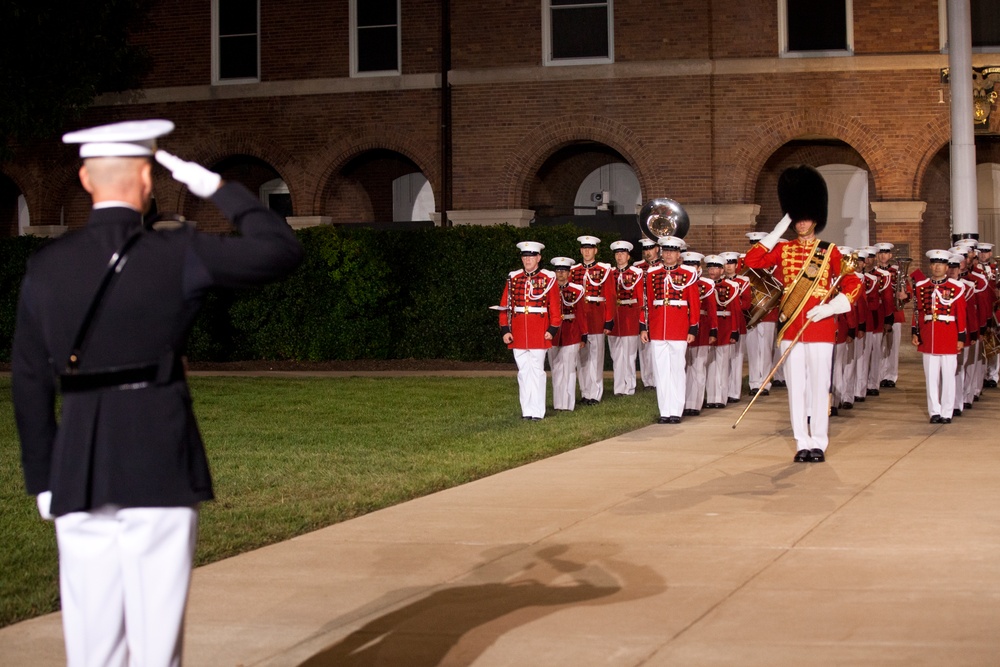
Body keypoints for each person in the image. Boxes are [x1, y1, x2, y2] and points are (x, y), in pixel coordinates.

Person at [13, 119, 304, 667]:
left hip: (75, 469)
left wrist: (43, 476)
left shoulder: (46, 266)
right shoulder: (180, 253)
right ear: (147, 180)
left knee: (93, 646)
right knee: (155, 646)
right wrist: (216, 188)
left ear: (84, 179)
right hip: (157, 459)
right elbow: (280, 249)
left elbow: (29, 379)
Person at [744, 165, 861, 463]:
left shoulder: (829, 250)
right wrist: (782, 223)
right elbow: (752, 260)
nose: (802, 222)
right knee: (796, 387)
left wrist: (832, 307)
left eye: (806, 216)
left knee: (819, 386)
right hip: (791, 326)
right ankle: (801, 442)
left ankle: (819, 441)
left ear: (817, 217)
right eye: (798, 216)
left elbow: (852, 283)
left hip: (819, 326)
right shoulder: (783, 250)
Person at [640, 236, 700, 424]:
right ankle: (664, 410)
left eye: (672, 251)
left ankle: (676, 410)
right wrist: (644, 327)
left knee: (677, 370)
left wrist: (693, 327)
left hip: (679, 328)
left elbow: (694, 303)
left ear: (678, 254)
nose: (668, 255)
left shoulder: (688, 273)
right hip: (657, 328)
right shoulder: (652, 273)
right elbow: (647, 302)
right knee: (661, 371)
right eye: (665, 251)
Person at [499, 241, 562, 420]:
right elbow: (505, 306)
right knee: (523, 372)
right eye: (525, 256)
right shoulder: (514, 278)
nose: (527, 259)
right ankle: (527, 411)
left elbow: (555, 308)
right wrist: (505, 329)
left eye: (531, 256)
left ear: (539, 258)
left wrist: (552, 328)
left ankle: (538, 411)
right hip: (518, 331)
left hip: (539, 330)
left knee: (537, 371)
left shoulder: (548, 279)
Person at [912, 249, 967, 424]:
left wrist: (961, 337)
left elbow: (961, 314)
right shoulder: (922, 287)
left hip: (949, 334)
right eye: (934, 263)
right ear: (930, 265)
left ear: (946, 266)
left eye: (941, 264)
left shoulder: (956, 287)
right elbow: (918, 312)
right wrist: (915, 332)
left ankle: (947, 412)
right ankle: (934, 411)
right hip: (929, 336)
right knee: (931, 377)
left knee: (949, 377)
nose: (937, 267)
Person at [570, 236, 614, 405]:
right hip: (580, 319)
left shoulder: (604, 270)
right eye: (584, 248)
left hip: (596, 317)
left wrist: (608, 320)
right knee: (581, 357)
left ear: (595, 250)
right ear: (581, 250)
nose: (587, 251)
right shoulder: (573, 270)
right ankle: (584, 391)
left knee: (595, 357)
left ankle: (595, 393)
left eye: (590, 248)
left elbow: (609, 295)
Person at [547, 257, 587, 411]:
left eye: (563, 271)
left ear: (569, 273)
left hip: (571, 332)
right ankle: (558, 403)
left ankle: (568, 404)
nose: (560, 274)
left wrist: (584, 334)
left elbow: (581, 313)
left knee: (569, 369)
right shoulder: (549, 289)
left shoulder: (577, 290)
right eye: (558, 271)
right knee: (556, 368)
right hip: (555, 334)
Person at [681, 251, 717, 416]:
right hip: (682, 328)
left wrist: (713, 331)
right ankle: (684, 402)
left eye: (693, 266)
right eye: (687, 265)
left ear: (699, 267)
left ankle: (695, 403)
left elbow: (711, 310)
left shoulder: (707, 284)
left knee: (698, 367)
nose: (691, 269)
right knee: (684, 367)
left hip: (701, 329)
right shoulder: (679, 281)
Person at [743, 231, 778, 397]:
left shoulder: (775, 266)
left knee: (765, 349)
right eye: (752, 245)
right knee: (752, 349)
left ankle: (764, 383)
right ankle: (753, 383)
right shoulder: (743, 266)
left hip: (769, 314)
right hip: (750, 314)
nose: (754, 248)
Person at [608, 240, 644, 396]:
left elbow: (640, 299)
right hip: (615, 316)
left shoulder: (636, 273)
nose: (619, 256)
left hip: (630, 315)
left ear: (628, 256)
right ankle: (618, 388)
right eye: (617, 254)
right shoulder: (610, 273)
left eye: (622, 253)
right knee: (616, 355)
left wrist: (641, 320)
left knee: (629, 355)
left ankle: (629, 387)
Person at [721, 251, 751, 403]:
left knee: (737, 359)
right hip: (723, 326)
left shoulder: (743, 281)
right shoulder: (719, 283)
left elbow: (746, 303)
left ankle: (734, 392)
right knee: (724, 361)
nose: (728, 267)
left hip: (738, 323)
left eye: (731, 263)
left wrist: (733, 305)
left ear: (736, 265)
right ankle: (724, 390)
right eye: (726, 264)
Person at [633, 237, 661, 391]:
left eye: (650, 249)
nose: (647, 252)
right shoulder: (638, 267)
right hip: (643, 307)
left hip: (657, 307)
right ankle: (648, 380)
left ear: (657, 249)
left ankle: (657, 378)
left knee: (657, 344)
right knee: (644, 347)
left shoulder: (663, 267)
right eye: (645, 249)